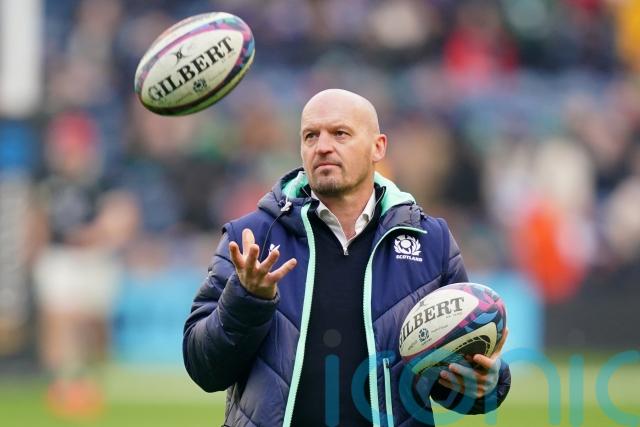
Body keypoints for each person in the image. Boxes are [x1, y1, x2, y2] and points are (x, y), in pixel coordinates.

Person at [183, 89, 511, 426]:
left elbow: (452, 375)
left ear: (378, 147)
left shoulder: (430, 241)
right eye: (311, 136)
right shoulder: (250, 238)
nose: (323, 146)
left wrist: (485, 384)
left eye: (340, 133)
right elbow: (204, 368)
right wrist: (247, 299)